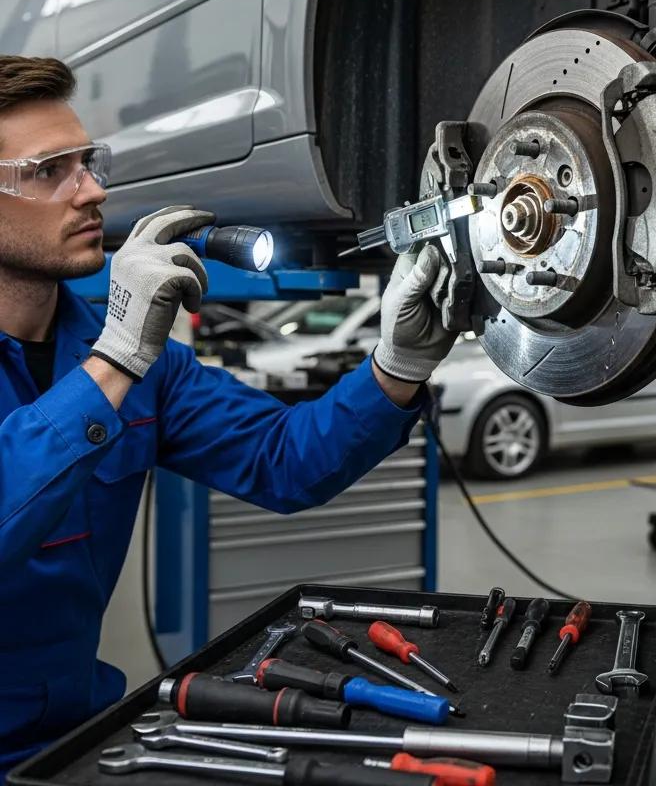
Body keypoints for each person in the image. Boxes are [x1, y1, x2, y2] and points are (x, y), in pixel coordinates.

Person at [0, 56, 456, 777]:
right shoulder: (122, 356)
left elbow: (286, 461)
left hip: (76, 734)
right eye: (51, 169)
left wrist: (395, 366)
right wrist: (115, 360)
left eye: (89, 163)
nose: (91, 191)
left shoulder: (134, 357)